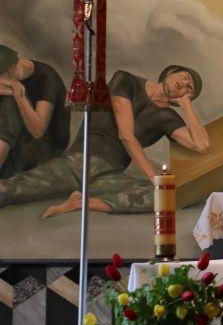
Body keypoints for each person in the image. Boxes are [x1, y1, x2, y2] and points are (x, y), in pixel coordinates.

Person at [0, 65, 209, 216]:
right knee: (13, 189)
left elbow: (201, 145)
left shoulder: (167, 117)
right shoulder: (126, 81)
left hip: (110, 173)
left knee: (165, 198)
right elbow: (126, 135)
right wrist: (154, 178)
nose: (184, 83)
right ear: (170, 72)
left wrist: (186, 104)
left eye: (189, 87)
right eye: (184, 77)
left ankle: (81, 203)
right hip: (79, 162)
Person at [0, 45, 70, 178]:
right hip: (18, 137)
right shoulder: (11, 76)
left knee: (11, 103)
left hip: (44, 147)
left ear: (11, 69)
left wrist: (20, 96)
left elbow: (38, 131)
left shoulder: (47, 78)